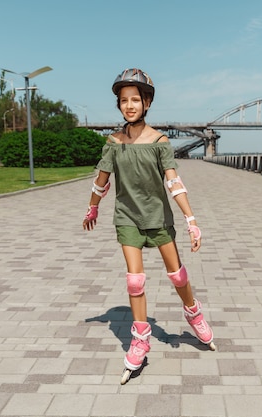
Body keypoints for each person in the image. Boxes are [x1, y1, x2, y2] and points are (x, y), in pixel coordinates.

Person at [82, 68, 215, 384]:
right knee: (135, 281)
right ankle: (140, 339)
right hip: (127, 218)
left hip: (157, 218)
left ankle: (193, 312)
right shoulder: (113, 142)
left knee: (177, 275)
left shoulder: (159, 141)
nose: (129, 105)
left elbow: (174, 183)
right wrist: (92, 207)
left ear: (147, 102)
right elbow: (101, 182)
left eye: (135, 99)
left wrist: (191, 221)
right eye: (123, 100)